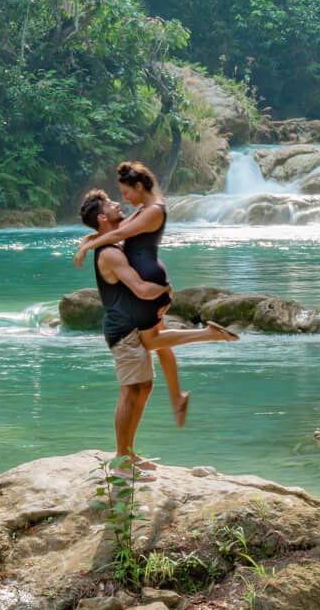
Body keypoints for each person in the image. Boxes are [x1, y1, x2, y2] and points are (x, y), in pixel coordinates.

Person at [77, 180, 235, 452]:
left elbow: (134, 225)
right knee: (129, 392)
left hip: (131, 326)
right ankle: (122, 458)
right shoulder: (111, 254)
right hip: (122, 331)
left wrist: (88, 241)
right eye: (112, 204)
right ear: (103, 217)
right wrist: (165, 290)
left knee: (144, 387)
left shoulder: (116, 242)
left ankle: (129, 454)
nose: (119, 204)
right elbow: (139, 288)